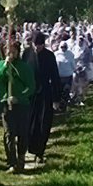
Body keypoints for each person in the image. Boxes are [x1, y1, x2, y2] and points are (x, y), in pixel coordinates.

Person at [0, 40, 35, 174]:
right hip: (7, 104)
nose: (10, 53)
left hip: (21, 105)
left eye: (13, 51)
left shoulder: (24, 67)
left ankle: (21, 158)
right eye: (8, 51)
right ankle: (11, 161)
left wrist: (19, 97)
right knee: (9, 133)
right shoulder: (1, 64)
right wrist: (5, 66)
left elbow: (31, 87)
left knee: (22, 132)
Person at [27, 32, 61, 164]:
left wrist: (56, 99)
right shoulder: (27, 54)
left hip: (45, 93)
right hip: (30, 93)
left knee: (43, 123)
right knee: (30, 123)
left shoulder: (49, 56)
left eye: (39, 45)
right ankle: (30, 148)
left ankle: (40, 152)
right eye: (35, 45)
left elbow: (55, 77)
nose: (37, 48)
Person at [54, 40, 75, 110]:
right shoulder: (56, 54)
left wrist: (74, 70)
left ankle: (64, 106)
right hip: (59, 76)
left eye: (65, 47)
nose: (63, 48)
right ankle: (60, 105)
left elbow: (73, 64)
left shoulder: (70, 54)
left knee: (66, 91)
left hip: (68, 76)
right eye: (62, 47)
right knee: (60, 92)